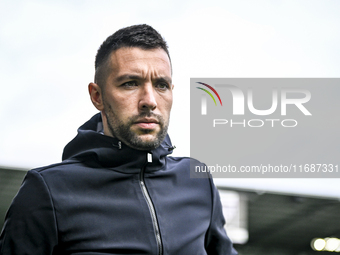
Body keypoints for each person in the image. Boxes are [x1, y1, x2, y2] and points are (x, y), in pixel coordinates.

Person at [0, 24, 237, 255]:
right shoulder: (47, 191)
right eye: (130, 84)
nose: (149, 100)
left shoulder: (197, 180)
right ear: (97, 96)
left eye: (161, 85)